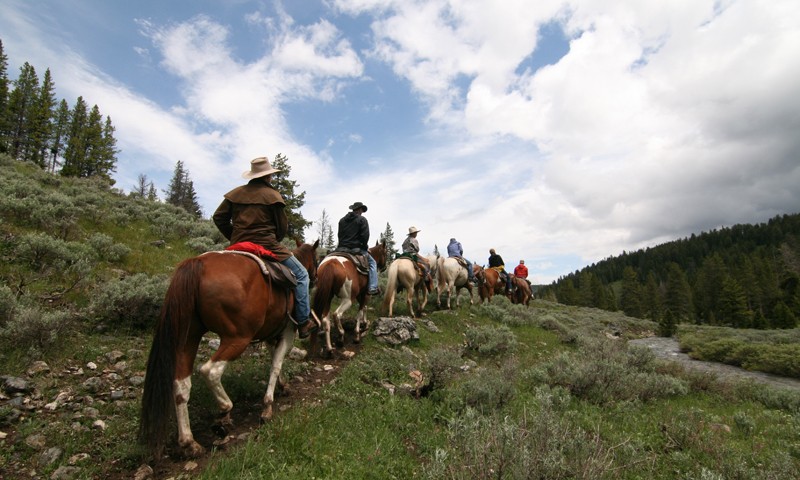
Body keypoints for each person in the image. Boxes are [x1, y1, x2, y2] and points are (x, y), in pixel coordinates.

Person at [212, 156, 314, 338]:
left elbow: (219, 217)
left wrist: (235, 237)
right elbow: (282, 228)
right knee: (301, 275)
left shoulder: (234, 194)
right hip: (268, 245)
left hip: (239, 244)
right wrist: (272, 240)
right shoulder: (273, 196)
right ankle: (303, 321)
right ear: (268, 177)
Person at [336, 201, 379, 295]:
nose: (362, 212)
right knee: (373, 264)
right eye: (362, 210)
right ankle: (373, 287)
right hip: (356, 249)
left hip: (341, 249)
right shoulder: (362, 220)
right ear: (359, 209)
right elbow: (365, 237)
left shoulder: (342, 220)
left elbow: (339, 235)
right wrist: (365, 247)